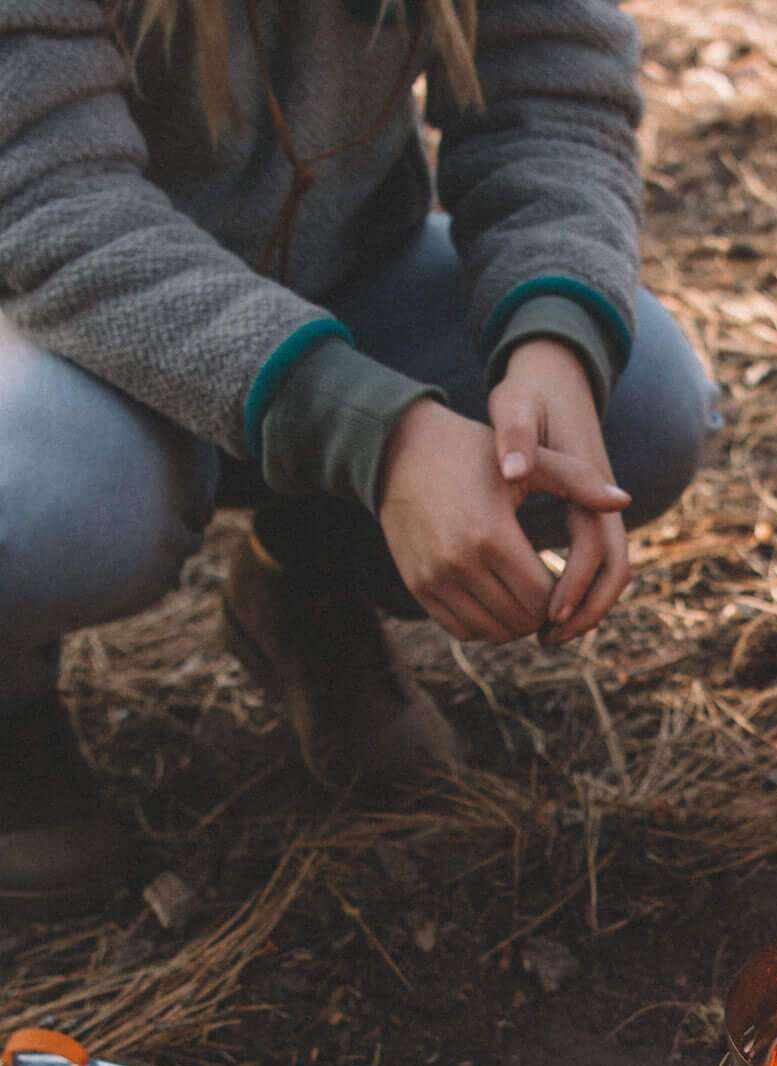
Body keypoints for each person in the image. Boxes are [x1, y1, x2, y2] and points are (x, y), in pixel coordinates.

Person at [0, 0, 721, 916]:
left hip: (337, 280)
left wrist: (555, 342)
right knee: (48, 505)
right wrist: (378, 435)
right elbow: (55, 209)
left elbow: (552, 83)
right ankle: (10, 703)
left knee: (643, 407)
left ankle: (302, 586)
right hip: (45, 325)